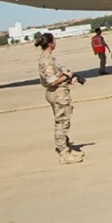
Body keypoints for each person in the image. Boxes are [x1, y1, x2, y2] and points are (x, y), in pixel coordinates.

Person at [35, 33, 85, 165]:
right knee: (61, 123)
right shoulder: (47, 60)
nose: (56, 42)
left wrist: (68, 80)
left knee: (63, 121)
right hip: (57, 94)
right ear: (50, 43)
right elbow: (52, 81)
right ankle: (64, 154)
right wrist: (67, 76)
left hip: (59, 91)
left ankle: (67, 149)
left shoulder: (49, 58)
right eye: (54, 40)